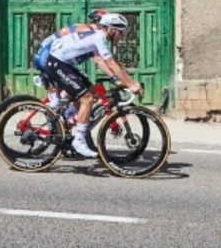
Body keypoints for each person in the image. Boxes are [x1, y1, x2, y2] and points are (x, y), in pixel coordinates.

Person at [36, 12, 143, 158]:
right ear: (111, 29)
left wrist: (124, 80)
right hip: (53, 60)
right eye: (122, 32)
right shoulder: (99, 37)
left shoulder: (97, 36)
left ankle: (68, 119)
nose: (123, 36)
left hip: (63, 62)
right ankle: (78, 142)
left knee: (90, 92)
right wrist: (130, 85)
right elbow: (111, 64)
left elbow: (106, 62)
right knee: (86, 99)